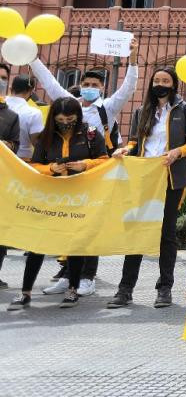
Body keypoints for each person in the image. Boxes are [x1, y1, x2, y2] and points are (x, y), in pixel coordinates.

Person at [33, 49, 139, 296]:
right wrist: (32, 57)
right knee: (68, 225)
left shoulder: (108, 108)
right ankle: (68, 274)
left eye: (94, 84)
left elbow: (129, 88)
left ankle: (88, 277)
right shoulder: (70, 105)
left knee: (89, 226)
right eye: (86, 84)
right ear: (79, 86)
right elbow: (49, 82)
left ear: (101, 87)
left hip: (95, 174)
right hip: (67, 176)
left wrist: (132, 61)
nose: (90, 87)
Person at [108, 67, 186, 309]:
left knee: (166, 233)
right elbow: (134, 141)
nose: (161, 83)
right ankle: (125, 289)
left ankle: (165, 287)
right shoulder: (142, 111)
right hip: (144, 177)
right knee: (137, 231)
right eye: (157, 80)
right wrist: (125, 150)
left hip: (171, 178)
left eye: (165, 80)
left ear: (173, 84)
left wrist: (177, 152)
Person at [7, 97, 107, 311]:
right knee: (38, 244)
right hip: (50, 198)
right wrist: (50, 168)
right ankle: (25, 292)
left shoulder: (89, 133)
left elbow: (105, 160)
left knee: (75, 244)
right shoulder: (46, 138)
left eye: (70, 119)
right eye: (61, 119)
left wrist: (84, 165)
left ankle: (72, 289)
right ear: (54, 118)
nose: (65, 123)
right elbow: (34, 166)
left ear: (77, 117)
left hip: (79, 198)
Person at [0, 65, 21, 289]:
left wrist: (6, 144)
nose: (1, 81)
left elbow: (16, 145)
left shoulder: (11, 116)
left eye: (4, 78)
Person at [5, 74, 44, 161]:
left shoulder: (2, 105)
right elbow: (36, 142)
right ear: (31, 91)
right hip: (21, 160)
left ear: (11, 88)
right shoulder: (33, 113)